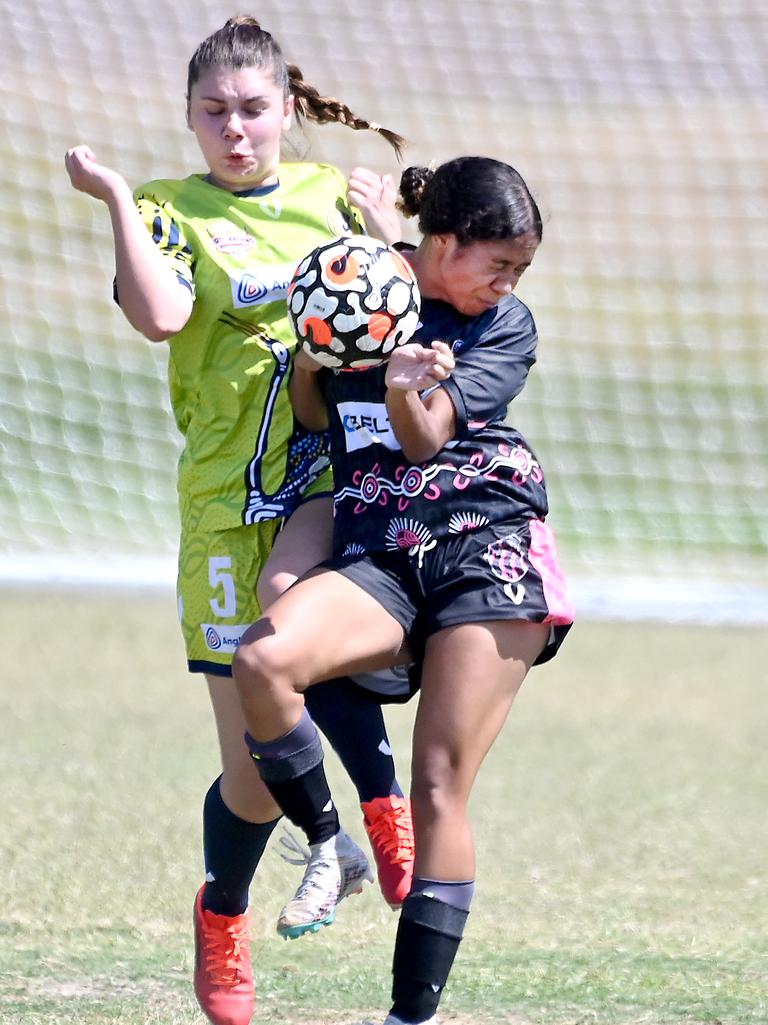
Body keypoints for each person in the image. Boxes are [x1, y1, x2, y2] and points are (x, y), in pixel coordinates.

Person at [64, 15, 416, 1025]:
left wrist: (383, 230)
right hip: (225, 506)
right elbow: (162, 317)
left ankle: (376, 827)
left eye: (254, 110)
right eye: (214, 111)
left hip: (327, 488)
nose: (236, 129)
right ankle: (224, 908)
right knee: (252, 774)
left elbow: (397, 311)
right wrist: (122, 203)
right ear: (189, 117)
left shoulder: (323, 198)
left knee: (333, 661)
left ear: (287, 111)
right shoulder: (171, 209)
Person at [231, 155, 575, 1024]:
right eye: (498, 264)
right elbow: (318, 415)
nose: (509, 285)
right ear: (443, 243)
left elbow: (423, 443)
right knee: (263, 659)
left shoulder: (505, 328)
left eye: (519, 271)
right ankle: (326, 842)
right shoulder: (365, 286)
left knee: (438, 782)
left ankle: (408, 1016)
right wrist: (314, 358)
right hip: (380, 549)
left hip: (483, 547)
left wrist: (400, 386)